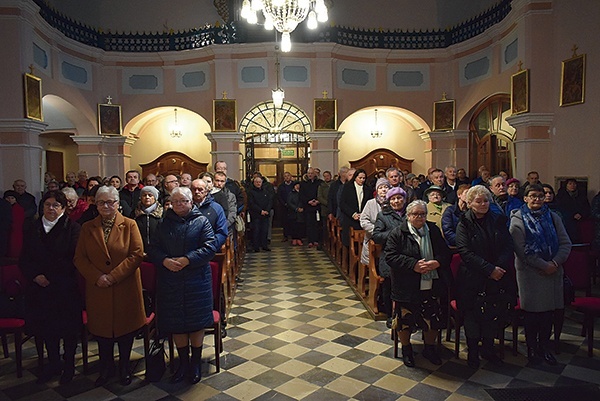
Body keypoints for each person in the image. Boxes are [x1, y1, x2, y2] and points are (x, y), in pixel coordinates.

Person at [74, 185, 146, 387]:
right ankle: (105, 369)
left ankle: (124, 368)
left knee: (126, 331)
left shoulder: (130, 224)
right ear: (95, 204)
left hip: (125, 286)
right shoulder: (88, 227)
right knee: (102, 332)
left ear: (117, 204)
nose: (106, 206)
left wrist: (113, 276)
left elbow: (136, 254)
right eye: (101, 202)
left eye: (110, 202)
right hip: (98, 289)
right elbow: (79, 258)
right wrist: (97, 277)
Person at [148, 187, 219, 384]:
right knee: (177, 322)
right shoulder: (163, 224)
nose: (179, 204)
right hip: (170, 279)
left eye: (183, 201)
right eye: (175, 201)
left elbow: (210, 247)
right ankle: (182, 363)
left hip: (196, 279)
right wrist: (165, 261)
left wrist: (188, 259)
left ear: (191, 202)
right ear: (170, 203)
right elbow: (152, 248)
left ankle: (195, 363)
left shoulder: (201, 221)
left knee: (196, 322)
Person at [19, 190, 82, 384]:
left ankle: (69, 366)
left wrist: (51, 277)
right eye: (48, 204)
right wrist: (35, 276)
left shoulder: (72, 228)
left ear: (64, 208)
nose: (51, 209)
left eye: (56, 205)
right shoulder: (32, 227)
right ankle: (53, 363)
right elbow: (25, 258)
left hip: (64, 286)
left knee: (68, 329)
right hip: (39, 288)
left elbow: (72, 257)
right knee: (46, 328)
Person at [510, 184, 572, 365]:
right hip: (531, 273)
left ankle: (544, 347)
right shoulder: (518, 219)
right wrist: (543, 265)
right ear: (525, 198)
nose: (537, 199)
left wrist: (554, 263)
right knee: (532, 314)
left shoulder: (553, 217)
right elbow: (522, 250)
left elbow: (565, 243)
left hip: (553, 272)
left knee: (547, 314)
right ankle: (531, 349)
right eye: (533, 196)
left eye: (540, 196)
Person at [385, 200, 452, 367]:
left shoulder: (433, 230)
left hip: (431, 284)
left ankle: (429, 348)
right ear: (408, 216)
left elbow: (445, 253)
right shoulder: (398, 233)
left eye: (423, 214)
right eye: (416, 214)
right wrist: (413, 265)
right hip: (406, 285)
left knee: (432, 319)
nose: (420, 217)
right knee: (405, 321)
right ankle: (406, 349)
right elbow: (391, 257)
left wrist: (436, 263)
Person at [456, 185, 516, 369]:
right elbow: (465, 252)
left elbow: (508, 246)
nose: (483, 204)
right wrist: (489, 269)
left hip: (497, 275)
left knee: (493, 312)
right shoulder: (463, 223)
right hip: (473, 277)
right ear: (470, 203)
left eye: (486, 201)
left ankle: (489, 349)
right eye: (478, 201)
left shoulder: (498, 220)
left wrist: (498, 268)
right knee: (473, 315)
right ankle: (473, 351)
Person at [372, 186, 407, 324]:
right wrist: (395, 233)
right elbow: (377, 236)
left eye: (399, 198)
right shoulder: (383, 215)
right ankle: (390, 315)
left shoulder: (410, 213)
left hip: (407, 255)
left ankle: (406, 314)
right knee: (389, 287)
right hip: (389, 256)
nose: (397, 201)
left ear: (404, 199)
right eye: (393, 199)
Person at [360, 177, 390, 270]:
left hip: (389, 239)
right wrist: (376, 230)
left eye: (386, 187)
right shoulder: (370, 203)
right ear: (377, 190)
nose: (384, 190)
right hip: (372, 238)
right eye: (380, 187)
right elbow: (364, 220)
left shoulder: (393, 202)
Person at [339, 168, 372, 250]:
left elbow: (370, 204)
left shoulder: (367, 189)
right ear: (355, 177)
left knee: (362, 243)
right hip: (350, 218)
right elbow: (342, 203)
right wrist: (353, 214)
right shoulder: (347, 187)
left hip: (363, 218)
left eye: (364, 178)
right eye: (360, 178)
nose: (362, 180)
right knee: (349, 243)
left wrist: (363, 214)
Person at [191, 179, 228, 250]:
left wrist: (210, 246)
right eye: (194, 189)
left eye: (200, 189)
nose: (196, 192)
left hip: (210, 248)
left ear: (206, 191)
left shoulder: (216, 208)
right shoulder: (186, 207)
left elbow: (221, 232)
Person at [556, 178, 591, 243]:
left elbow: (587, 207)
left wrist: (581, 214)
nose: (572, 185)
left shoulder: (581, 195)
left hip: (580, 219)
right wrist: (572, 215)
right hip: (567, 220)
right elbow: (561, 208)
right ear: (566, 185)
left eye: (574, 184)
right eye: (570, 184)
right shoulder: (561, 196)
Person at [134, 185, 163, 253]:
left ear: (155, 198)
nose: (147, 197)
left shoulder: (163, 213)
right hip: (140, 251)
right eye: (144, 195)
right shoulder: (135, 213)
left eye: (150, 195)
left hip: (159, 251)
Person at [247, 176, 273, 252]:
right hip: (256, 214)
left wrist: (266, 210)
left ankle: (264, 245)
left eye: (259, 182)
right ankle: (256, 246)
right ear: (254, 183)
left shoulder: (265, 191)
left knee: (265, 230)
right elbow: (252, 203)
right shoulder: (251, 192)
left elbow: (269, 201)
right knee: (256, 231)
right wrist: (260, 211)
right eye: (257, 182)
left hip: (265, 214)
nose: (258, 183)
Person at [299, 167, 322, 248]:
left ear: (314, 174)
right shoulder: (303, 183)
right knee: (309, 224)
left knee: (316, 224)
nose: (310, 175)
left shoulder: (319, 183)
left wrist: (317, 201)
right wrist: (308, 201)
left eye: (311, 173)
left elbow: (321, 194)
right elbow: (301, 195)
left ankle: (316, 240)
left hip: (317, 207)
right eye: (309, 173)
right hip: (308, 207)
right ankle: (310, 240)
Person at [3, 190, 25, 258]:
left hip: (15, 232)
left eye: (12, 198)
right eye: (8, 198)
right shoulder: (4, 208)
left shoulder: (18, 209)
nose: (10, 200)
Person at [286, 181, 305, 245]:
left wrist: (302, 208)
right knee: (293, 226)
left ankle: (299, 239)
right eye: (296, 185)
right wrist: (296, 208)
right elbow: (289, 202)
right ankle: (294, 239)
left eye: (298, 185)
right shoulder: (291, 193)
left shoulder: (302, 193)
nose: (297, 186)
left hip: (301, 212)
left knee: (300, 226)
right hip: (293, 212)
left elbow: (304, 201)